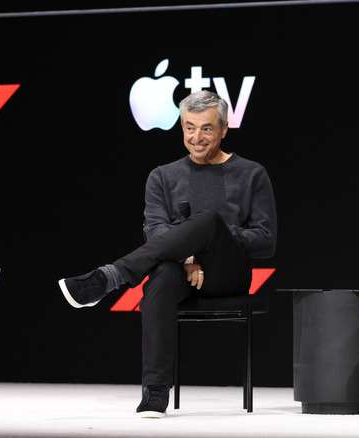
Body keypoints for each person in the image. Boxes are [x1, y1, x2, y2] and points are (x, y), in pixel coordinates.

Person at [58, 90, 277, 418]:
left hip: (228, 273)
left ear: (224, 129)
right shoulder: (162, 176)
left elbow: (266, 240)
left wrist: (212, 237)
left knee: (208, 219)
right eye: (189, 128)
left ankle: (109, 277)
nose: (196, 137)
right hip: (181, 270)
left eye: (206, 128)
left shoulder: (252, 173)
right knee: (159, 276)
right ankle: (155, 391)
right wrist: (188, 257)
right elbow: (156, 232)